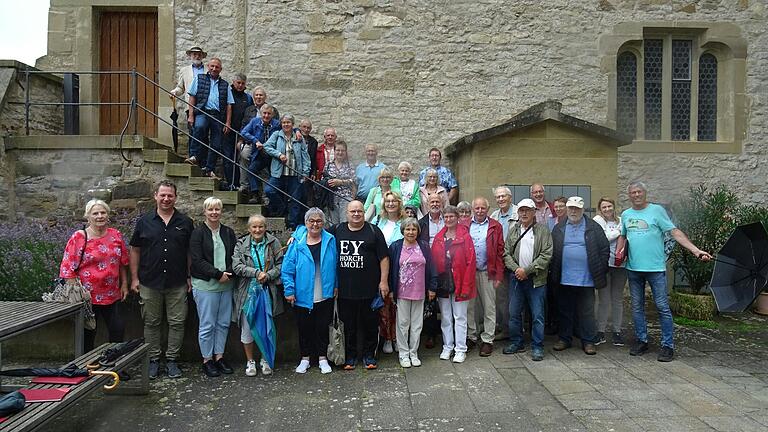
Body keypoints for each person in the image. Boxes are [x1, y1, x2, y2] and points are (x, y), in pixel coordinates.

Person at [616, 182, 712, 362]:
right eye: (632, 193)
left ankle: (667, 346)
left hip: (655, 269)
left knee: (662, 308)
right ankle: (641, 341)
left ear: (645, 193)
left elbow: (675, 232)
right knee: (637, 308)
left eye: (639, 192)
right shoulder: (626, 214)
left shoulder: (657, 211)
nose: (636, 195)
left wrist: (696, 250)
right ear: (629, 195)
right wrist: (618, 252)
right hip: (633, 269)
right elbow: (622, 235)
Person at [129, 180, 194, 379]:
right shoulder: (144, 221)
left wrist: (190, 276)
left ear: (176, 197)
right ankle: (154, 360)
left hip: (177, 281)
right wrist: (134, 278)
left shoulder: (185, 222)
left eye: (170, 196)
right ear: (155, 196)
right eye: (163, 195)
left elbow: (190, 252)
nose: (166, 199)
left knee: (177, 323)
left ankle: (172, 360)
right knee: (151, 322)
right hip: (149, 281)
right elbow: (135, 250)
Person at [59, 199, 129, 353]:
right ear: (88, 216)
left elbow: (123, 262)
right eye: (95, 213)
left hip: (112, 294)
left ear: (108, 215)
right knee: (88, 333)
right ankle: (86, 367)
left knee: (118, 330)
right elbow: (67, 268)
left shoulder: (115, 235)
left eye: (103, 212)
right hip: (88, 297)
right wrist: (76, 294)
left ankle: (116, 364)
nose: (99, 216)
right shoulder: (79, 237)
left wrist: (124, 285)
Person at [328, 200, 390, 370]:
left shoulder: (373, 231)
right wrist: (297, 235)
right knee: (349, 325)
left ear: (364, 213)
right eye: (353, 211)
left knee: (370, 324)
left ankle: (370, 356)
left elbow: (384, 258)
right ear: (346, 213)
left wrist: (383, 281)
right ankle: (350, 357)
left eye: (360, 211)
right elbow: (315, 233)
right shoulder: (336, 230)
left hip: (369, 290)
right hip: (345, 291)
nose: (356, 214)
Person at [549, 197, 609, 356]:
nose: (573, 211)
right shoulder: (559, 228)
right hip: (564, 277)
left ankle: (588, 341)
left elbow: (604, 250)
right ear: (567, 209)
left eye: (577, 208)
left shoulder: (593, 227)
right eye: (571, 208)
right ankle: (564, 339)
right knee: (564, 310)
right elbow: (552, 251)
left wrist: (598, 269)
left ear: (583, 210)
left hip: (586, 279)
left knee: (587, 311)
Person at [282, 208, 338, 374]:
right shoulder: (297, 243)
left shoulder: (330, 240)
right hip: (302, 294)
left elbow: (336, 264)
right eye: (311, 221)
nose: (315, 224)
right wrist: (289, 290)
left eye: (319, 221)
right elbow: (287, 269)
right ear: (306, 223)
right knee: (304, 328)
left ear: (323, 223)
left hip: (324, 292)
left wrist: (336, 284)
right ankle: (305, 358)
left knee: (322, 327)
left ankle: (322, 358)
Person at [190, 197, 238, 377]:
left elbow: (236, 255)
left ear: (221, 211)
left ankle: (219, 357)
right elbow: (197, 260)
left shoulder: (228, 232)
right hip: (206, 285)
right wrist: (218, 274)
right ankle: (207, 359)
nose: (214, 212)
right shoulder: (198, 233)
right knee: (207, 324)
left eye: (217, 209)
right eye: (210, 209)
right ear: (205, 211)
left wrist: (229, 273)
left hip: (226, 285)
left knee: (223, 323)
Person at [232, 214, 284, 376]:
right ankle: (250, 361)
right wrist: (255, 273)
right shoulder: (241, 244)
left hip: (267, 292)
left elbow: (281, 264)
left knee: (266, 327)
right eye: (254, 227)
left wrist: (267, 276)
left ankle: (265, 359)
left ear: (265, 227)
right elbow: (236, 266)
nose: (257, 229)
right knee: (248, 329)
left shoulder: (273, 243)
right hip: (248, 292)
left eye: (260, 226)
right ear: (249, 229)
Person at [501, 198, 553, 361]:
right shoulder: (514, 230)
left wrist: (527, 270)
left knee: (537, 315)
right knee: (514, 313)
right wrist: (517, 269)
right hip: (516, 278)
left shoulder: (543, 231)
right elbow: (506, 253)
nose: (524, 213)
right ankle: (517, 342)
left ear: (534, 213)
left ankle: (537, 346)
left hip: (536, 280)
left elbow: (546, 255)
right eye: (521, 210)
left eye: (527, 210)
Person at [388, 218, 437, 368]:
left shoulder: (423, 246)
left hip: (419, 290)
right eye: (408, 229)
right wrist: (390, 289)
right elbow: (390, 270)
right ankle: (403, 354)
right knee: (402, 324)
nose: (411, 232)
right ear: (403, 231)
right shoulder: (396, 247)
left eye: (414, 229)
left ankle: (413, 353)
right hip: (402, 291)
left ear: (418, 231)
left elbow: (432, 267)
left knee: (417, 324)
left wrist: (432, 287)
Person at [431, 205, 477, 364]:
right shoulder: (438, 237)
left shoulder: (465, 236)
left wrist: (466, 286)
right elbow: (434, 262)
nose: (449, 219)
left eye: (452, 216)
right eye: (446, 217)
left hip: (460, 281)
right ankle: (447, 346)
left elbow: (471, 263)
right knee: (445, 317)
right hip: (444, 282)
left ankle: (460, 349)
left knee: (460, 316)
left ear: (457, 217)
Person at [465, 197, 504, 357]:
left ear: (488, 209)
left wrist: (498, 276)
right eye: (477, 208)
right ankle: (471, 336)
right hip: (469, 272)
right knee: (469, 307)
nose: (480, 211)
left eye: (483, 208)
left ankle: (488, 339)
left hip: (488, 272)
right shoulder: (465, 225)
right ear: (473, 209)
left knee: (489, 307)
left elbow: (501, 252)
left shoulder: (495, 225)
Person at [187, 58, 235, 174]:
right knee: (199, 128)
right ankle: (194, 156)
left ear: (220, 69)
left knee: (216, 143)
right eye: (212, 66)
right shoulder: (199, 78)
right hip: (203, 111)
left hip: (218, 116)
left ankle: (209, 168)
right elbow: (192, 97)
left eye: (217, 67)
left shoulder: (225, 84)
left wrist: (228, 123)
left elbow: (229, 105)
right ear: (208, 67)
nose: (214, 69)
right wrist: (191, 115)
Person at [263, 113, 311, 229]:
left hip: (295, 174)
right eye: (284, 122)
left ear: (293, 124)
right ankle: (282, 207)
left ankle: (292, 225)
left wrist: (305, 172)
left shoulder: (299, 138)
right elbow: (266, 146)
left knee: (295, 200)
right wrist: (279, 155)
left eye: (288, 122)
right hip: (278, 173)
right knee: (269, 190)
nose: (286, 125)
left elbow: (305, 155)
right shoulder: (276, 135)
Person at [373, 191, 405, 354]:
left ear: (399, 203)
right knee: (384, 304)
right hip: (382, 267)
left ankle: (398, 338)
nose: (391, 204)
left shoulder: (406, 222)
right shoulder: (378, 221)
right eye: (387, 201)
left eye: (394, 201)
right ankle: (386, 337)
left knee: (399, 306)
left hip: (401, 268)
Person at [593, 197, 628, 346]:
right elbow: (603, 238)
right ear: (600, 209)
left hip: (621, 265)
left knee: (617, 299)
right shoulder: (598, 221)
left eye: (609, 206)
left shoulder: (621, 220)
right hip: (605, 265)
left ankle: (617, 331)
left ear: (614, 207)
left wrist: (621, 230)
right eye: (604, 207)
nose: (607, 209)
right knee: (603, 300)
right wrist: (619, 231)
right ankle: (600, 331)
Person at [417, 194, 445, 349]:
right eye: (432, 202)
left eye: (437, 201)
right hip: (428, 265)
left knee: (447, 301)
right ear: (427, 204)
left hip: (447, 266)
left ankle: (449, 332)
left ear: (442, 203)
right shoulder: (421, 223)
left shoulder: (447, 219)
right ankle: (430, 334)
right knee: (430, 301)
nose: (434, 204)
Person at [490, 186, 517, 340]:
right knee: (501, 298)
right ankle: (505, 329)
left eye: (503, 196)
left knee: (517, 298)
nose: (500, 199)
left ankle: (516, 331)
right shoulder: (494, 215)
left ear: (510, 197)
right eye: (498, 197)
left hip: (516, 262)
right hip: (500, 263)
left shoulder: (518, 213)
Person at [240, 103, 280, 204]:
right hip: (259, 153)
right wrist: (255, 140)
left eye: (269, 114)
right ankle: (255, 193)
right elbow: (244, 132)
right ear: (261, 113)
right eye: (264, 113)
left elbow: (289, 128)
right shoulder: (255, 122)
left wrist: (297, 131)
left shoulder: (276, 124)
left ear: (272, 115)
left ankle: (271, 201)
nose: (266, 116)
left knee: (272, 176)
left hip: (273, 155)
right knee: (251, 170)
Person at [218, 73, 252, 190]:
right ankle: (230, 183)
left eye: (243, 83)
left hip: (241, 134)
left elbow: (250, 116)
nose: (240, 85)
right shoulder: (228, 94)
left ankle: (238, 184)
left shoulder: (248, 98)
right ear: (233, 82)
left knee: (239, 159)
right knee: (228, 158)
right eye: (238, 83)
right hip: (227, 132)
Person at [170, 46, 206, 140]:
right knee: (192, 131)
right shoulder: (184, 70)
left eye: (199, 54)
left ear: (202, 56)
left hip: (205, 105)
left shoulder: (208, 70)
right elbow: (181, 88)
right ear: (190, 56)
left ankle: (202, 154)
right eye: (194, 54)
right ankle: (192, 154)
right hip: (190, 105)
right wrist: (175, 92)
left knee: (204, 132)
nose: (197, 56)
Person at [323, 139, 356, 225]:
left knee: (344, 223)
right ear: (334, 151)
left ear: (345, 152)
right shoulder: (329, 165)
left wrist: (340, 182)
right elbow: (324, 179)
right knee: (333, 224)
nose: (340, 152)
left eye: (342, 150)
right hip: (331, 198)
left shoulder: (350, 165)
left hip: (345, 198)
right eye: (338, 150)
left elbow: (353, 180)